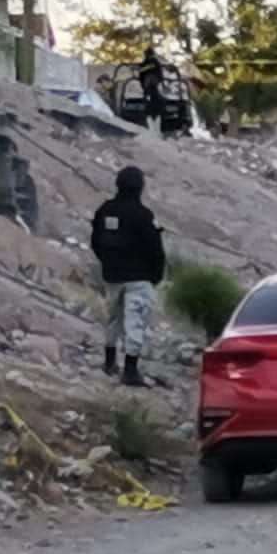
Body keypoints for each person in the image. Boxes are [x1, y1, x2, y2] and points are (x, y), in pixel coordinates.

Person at [91, 166, 166, 387]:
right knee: (135, 322)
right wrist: (156, 275)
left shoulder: (105, 210)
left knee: (113, 319)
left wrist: (107, 262)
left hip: (112, 275)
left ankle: (109, 362)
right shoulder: (144, 215)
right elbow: (155, 248)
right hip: (139, 279)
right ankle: (130, 370)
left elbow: (95, 242)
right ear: (140, 187)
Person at [138, 48, 165, 134]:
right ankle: (155, 130)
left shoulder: (152, 62)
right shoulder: (155, 62)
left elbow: (142, 71)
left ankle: (153, 130)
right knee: (156, 108)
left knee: (149, 109)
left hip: (150, 89)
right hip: (153, 89)